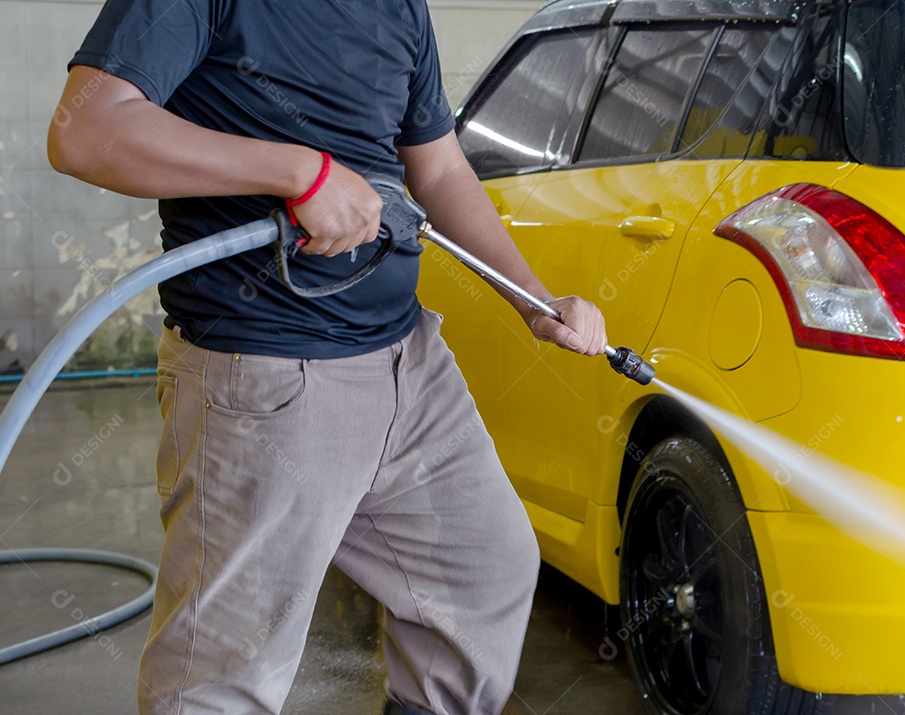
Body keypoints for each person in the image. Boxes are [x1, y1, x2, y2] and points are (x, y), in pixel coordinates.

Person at [47, 1, 607, 714]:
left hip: (407, 359)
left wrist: (530, 297)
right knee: (225, 674)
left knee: (481, 572)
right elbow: (86, 130)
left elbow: (436, 169)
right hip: (264, 370)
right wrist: (300, 173)